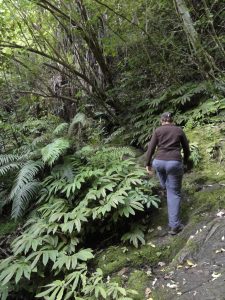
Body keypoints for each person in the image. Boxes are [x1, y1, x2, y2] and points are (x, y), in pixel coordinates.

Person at [145, 112, 190, 235]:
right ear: (172, 120)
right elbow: (186, 149)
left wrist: (148, 164)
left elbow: (151, 148)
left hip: (158, 162)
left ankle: (166, 189)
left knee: (167, 186)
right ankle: (174, 226)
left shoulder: (158, 130)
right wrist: (185, 162)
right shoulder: (178, 130)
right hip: (174, 163)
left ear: (161, 121)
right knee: (174, 193)